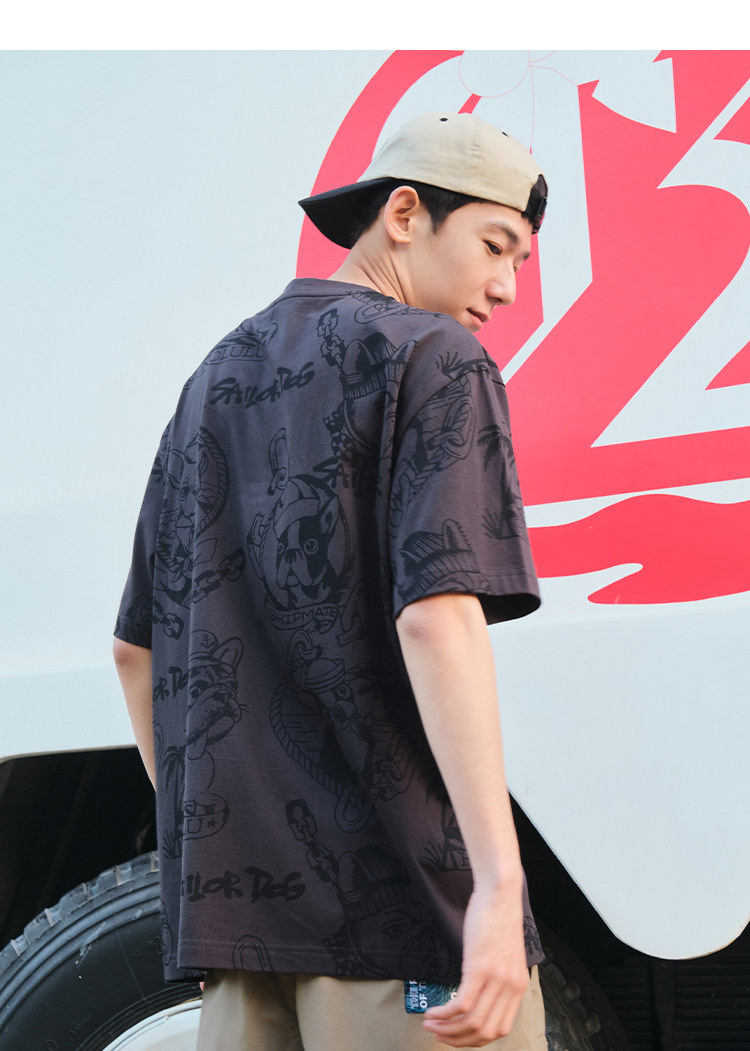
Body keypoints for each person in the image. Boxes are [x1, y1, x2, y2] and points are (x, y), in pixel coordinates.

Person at [113, 111, 548, 1050]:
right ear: (405, 213)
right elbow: (436, 618)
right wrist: (498, 881)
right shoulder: (434, 358)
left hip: (243, 949)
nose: (508, 287)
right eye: (494, 246)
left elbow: (134, 652)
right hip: (407, 924)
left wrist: (213, 867)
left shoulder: (212, 379)